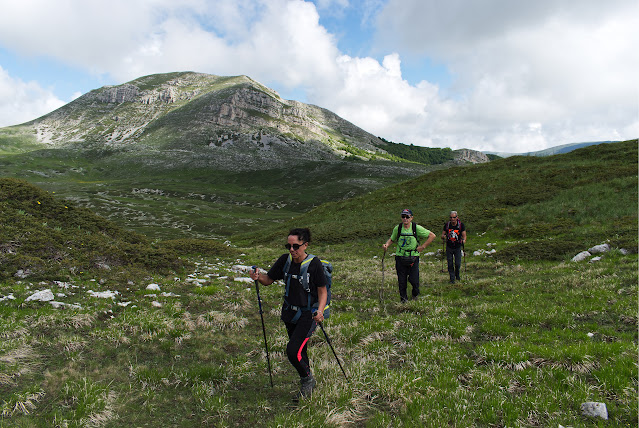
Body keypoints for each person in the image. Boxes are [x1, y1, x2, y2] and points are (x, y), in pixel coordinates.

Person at [249, 228, 327, 400]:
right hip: (289, 314)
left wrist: (320, 311)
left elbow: (322, 291)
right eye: (288, 246)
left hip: (309, 314)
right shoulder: (285, 260)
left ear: (305, 245)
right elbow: (268, 279)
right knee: (300, 350)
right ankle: (307, 381)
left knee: (292, 351)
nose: (291, 250)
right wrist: (257, 276)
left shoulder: (314, 264)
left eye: (295, 246)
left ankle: (307, 380)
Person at [382, 209, 436, 302]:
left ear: (411, 218)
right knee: (402, 281)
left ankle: (415, 294)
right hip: (400, 257)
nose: (405, 219)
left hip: (413, 257)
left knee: (414, 280)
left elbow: (432, 235)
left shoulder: (416, 228)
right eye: (403, 216)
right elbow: (392, 239)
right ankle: (403, 301)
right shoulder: (398, 228)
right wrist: (386, 245)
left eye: (407, 216)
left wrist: (423, 247)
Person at [442, 211, 466, 284]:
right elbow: (442, 234)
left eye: (454, 217)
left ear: (457, 217)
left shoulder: (461, 225)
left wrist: (463, 241)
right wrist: (443, 236)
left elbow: (464, 235)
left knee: (457, 263)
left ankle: (457, 274)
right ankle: (452, 279)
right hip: (449, 246)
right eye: (451, 217)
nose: (452, 219)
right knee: (450, 263)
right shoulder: (447, 225)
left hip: (457, 246)